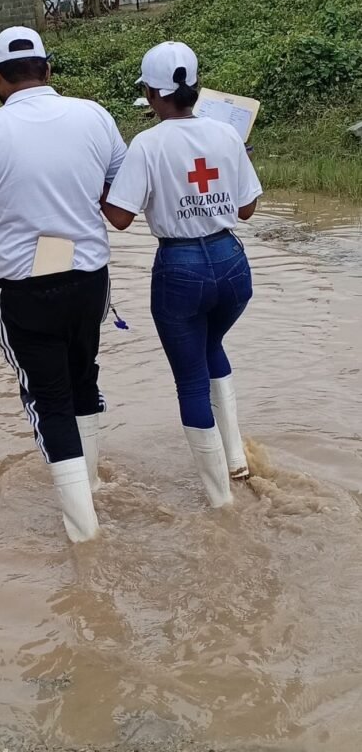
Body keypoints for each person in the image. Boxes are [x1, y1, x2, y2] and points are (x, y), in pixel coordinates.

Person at [0, 26, 127, 544]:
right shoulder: (95, 116)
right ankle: (92, 485)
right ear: (48, 69)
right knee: (83, 378)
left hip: (27, 291)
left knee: (48, 400)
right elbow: (119, 189)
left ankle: (84, 532)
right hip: (89, 280)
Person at [102, 41, 262, 508]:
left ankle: (220, 503)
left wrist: (94, 184)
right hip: (232, 263)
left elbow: (119, 217)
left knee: (190, 380)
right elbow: (247, 208)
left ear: (153, 95)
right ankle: (237, 461)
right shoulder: (226, 136)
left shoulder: (147, 144)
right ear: (195, 89)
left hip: (180, 268)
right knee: (213, 346)